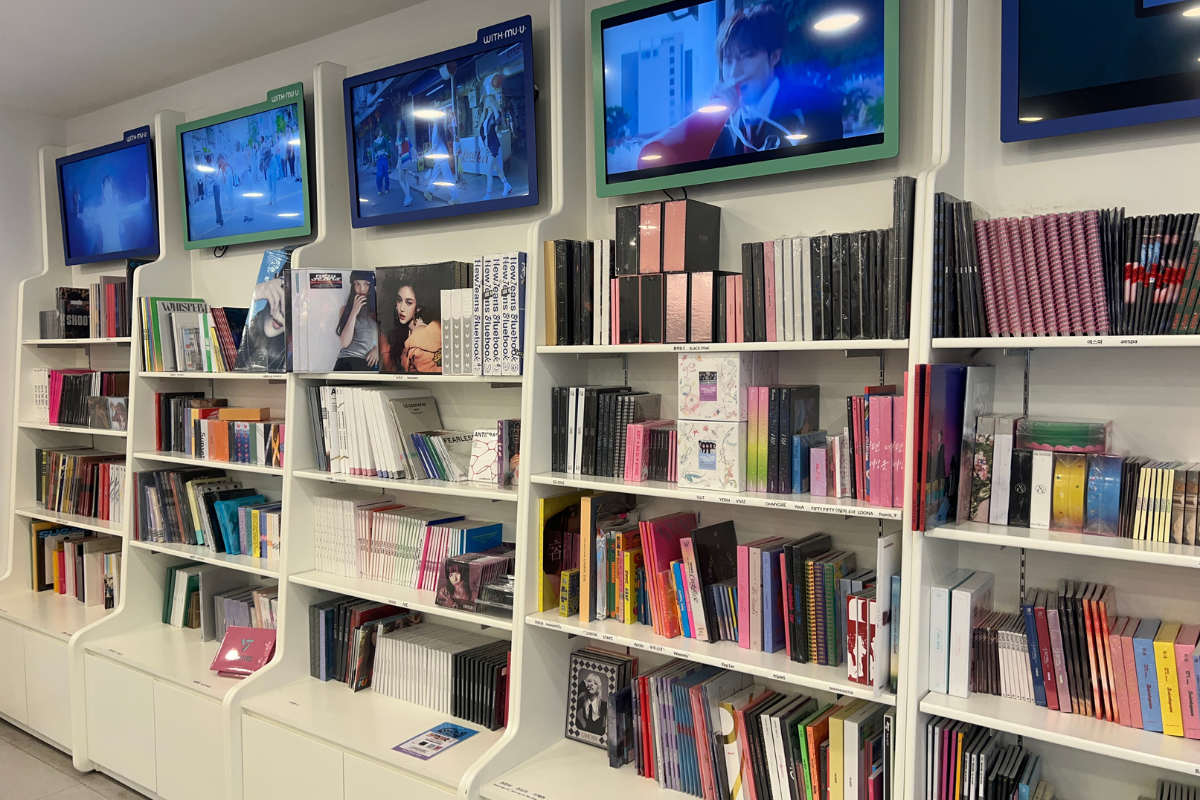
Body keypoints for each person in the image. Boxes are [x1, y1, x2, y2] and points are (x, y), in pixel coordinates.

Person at [708, 4, 844, 157]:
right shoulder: (723, 125)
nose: (734, 72)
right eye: (728, 61)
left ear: (774, 56)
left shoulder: (817, 110)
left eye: (747, 56)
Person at [73, 173, 152, 255]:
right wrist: (76, 203)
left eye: (110, 192)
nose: (108, 195)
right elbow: (81, 216)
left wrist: (145, 200)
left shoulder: (116, 210)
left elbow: (130, 209)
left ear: (112, 192)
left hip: (119, 254)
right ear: (103, 189)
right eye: (106, 191)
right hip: (106, 256)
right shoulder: (99, 212)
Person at [381, 279, 442, 373]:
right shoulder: (417, 329)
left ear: (418, 307)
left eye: (409, 303)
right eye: (399, 300)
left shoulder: (418, 343)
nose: (402, 308)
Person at [235, 277, 288, 372]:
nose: (283, 313)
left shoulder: (291, 357)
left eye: (293, 308)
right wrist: (256, 292)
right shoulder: (237, 333)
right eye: (283, 299)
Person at [334, 271, 379, 371]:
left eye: (366, 284)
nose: (361, 289)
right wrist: (354, 312)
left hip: (369, 362)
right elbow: (344, 343)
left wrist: (378, 348)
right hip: (347, 360)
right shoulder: (345, 309)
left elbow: (389, 338)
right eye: (357, 284)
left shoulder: (379, 309)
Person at [479, 74, 512, 199]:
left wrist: (493, 105)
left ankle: (488, 194)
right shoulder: (486, 116)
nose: (486, 102)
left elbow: (498, 122)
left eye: (488, 101)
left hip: (493, 145)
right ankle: (507, 185)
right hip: (489, 146)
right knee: (497, 168)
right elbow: (482, 131)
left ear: (491, 101)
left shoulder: (494, 114)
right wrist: (484, 144)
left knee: (488, 171)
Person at [421, 119, 459, 205]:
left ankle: (455, 197)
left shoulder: (435, 127)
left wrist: (429, 152)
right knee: (435, 176)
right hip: (440, 156)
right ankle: (429, 192)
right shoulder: (439, 127)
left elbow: (435, 144)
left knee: (447, 177)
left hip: (440, 156)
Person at [574, 671, 607, 737]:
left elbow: (610, 723)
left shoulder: (603, 704)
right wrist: (580, 688)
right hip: (585, 735)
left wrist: (602, 733)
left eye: (595, 683)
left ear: (598, 689)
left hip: (598, 737)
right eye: (589, 681)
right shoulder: (582, 701)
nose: (591, 684)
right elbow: (571, 709)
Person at [373, 129, 391, 195]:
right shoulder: (375, 142)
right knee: (379, 174)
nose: (381, 132)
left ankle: (386, 188)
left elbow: (388, 145)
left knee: (386, 174)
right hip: (379, 159)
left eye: (381, 131)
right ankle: (379, 189)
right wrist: (375, 155)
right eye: (380, 131)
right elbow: (374, 150)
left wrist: (387, 152)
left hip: (384, 157)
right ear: (377, 132)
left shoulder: (383, 139)